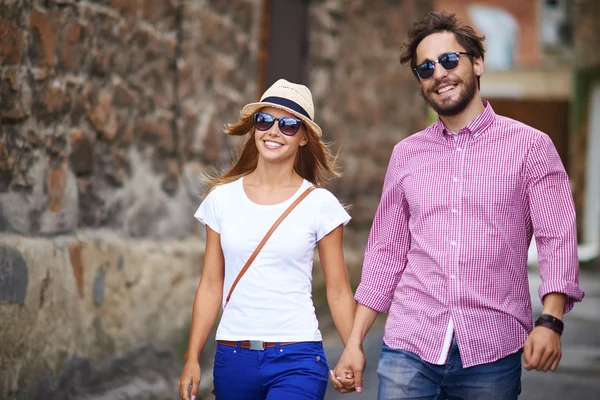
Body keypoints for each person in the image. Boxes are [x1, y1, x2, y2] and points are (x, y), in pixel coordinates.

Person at [330, 11, 585, 400]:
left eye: (449, 60)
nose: (439, 73)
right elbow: (386, 253)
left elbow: (557, 237)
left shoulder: (531, 147)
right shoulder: (406, 155)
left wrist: (550, 321)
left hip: (491, 351)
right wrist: (353, 342)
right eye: (425, 68)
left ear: (477, 62)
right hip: (408, 346)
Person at [178, 79, 356, 400]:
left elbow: (339, 291)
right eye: (265, 120)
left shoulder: (320, 205)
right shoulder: (221, 200)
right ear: (254, 128)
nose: (274, 130)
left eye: (288, 124)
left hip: (298, 356)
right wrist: (192, 357)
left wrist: (353, 349)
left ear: (304, 138)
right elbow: (209, 284)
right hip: (233, 357)